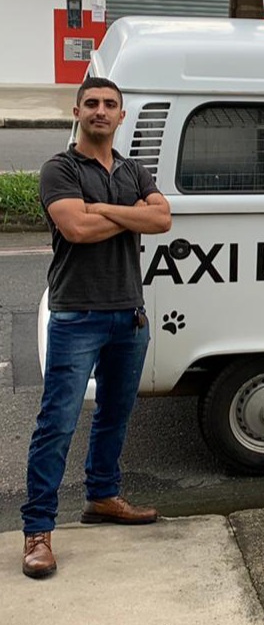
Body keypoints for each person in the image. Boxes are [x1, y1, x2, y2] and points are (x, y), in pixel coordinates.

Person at [21, 76, 172, 579]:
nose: (101, 111)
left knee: (114, 415)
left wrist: (103, 208)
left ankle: (103, 496)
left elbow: (162, 220)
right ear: (77, 112)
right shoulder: (59, 169)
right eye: (92, 104)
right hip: (76, 316)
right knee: (57, 425)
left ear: (121, 115)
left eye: (110, 104)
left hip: (129, 315)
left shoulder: (132, 169)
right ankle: (38, 531)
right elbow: (76, 229)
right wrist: (131, 215)